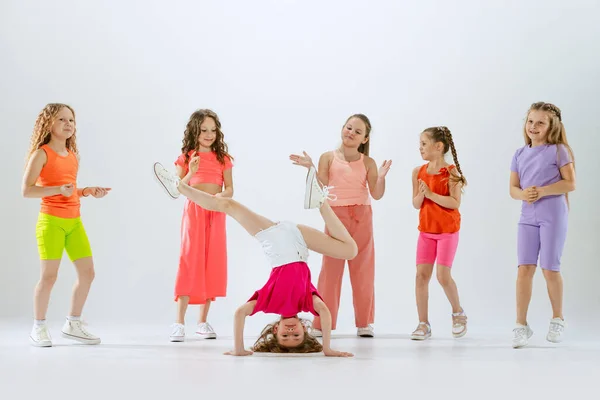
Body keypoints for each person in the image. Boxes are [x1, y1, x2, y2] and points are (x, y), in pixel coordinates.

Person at [153, 161, 356, 357]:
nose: (291, 331)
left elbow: (240, 313)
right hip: (299, 242)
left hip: (275, 241)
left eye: (286, 336)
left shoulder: (270, 303)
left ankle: (178, 186)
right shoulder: (307, 303)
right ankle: (320, 201)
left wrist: (239, 348)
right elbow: (325, 312)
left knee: (226, 205)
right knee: (350, 251)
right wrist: (327, 348)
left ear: (276, 329)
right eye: (296, 336)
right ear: (304, 329)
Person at [289, 114, 391, 338]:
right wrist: (310, 168)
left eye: (357, 132)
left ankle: (364, 323)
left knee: (363, 270)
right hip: (336, 218)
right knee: (330, 270)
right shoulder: (328, 157)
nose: (351, 133)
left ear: (365, 139)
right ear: (342, 128)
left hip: (362, 216)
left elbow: (377, 194)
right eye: (349, 128)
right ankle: (321, 322)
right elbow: (321, 186)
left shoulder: (368, 163)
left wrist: (381, 178)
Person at [22, 103, 111, 347]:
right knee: (49, 277)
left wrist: (87, 191)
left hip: (74, 223)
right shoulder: (41, 154)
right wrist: (57, 190)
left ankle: (73, 324)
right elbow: (26, 190)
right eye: (61, 119)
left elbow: (69, 191)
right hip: (50, 222)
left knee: (88, 273)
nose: (68, 124)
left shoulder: (73, 156)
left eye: (71, 120)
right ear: (48, 124)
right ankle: (38, 327)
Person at [510, 102, 576, 348]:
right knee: (524, 269)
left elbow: (570, 184)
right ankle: (520, 324)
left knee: (550, 268)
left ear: (552, 126)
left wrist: (543, 191)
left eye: (540, 123)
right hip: (527, 217)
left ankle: (557, 318)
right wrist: (523, 195)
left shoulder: (559, 151)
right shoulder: (519, 154)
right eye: (530, 121)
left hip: (553, 215)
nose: (533, 127)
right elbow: (513, 189)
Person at [169, 109, 234, 342]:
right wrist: (191, 172)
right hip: (194, 212)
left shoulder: (223, 158)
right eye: (204, 130)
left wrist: (221, 198)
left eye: (213, 130)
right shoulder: (186, 157)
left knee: (211, 262)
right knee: (189, 261)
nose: (209, 134)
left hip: (216, 211)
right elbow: (177, 188)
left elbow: (230, 189)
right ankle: (178, 323)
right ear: (195, 131)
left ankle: (202, 322)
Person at [410, 126, 468, 340]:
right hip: (426, 231)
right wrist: (423, 195)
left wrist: (431, 194)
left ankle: (458, 313)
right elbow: (416, 204)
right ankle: (423, 323)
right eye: (420, 144)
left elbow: (454, 203)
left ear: (438, 146)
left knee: (443, 276)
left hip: (447, 232)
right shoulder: (418, 172)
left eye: (424, 144)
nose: (420, 148)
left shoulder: (451, 172)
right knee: (421, 276)